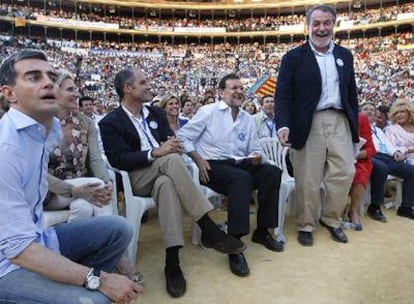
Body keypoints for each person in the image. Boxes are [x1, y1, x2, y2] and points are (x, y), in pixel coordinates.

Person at [0, 50, 142, 303]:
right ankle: (85, 285)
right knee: (97, 299)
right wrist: (98, 279)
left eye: (51, 77)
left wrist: (96, 189)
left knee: (119, 228)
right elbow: (17, 250)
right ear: (9, 94)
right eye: (33, 77)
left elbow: (89, 162)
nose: (48, 83)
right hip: (8, 266)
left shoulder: (45, 129)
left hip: (39, 238)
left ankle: (72, 283)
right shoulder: (6, 149)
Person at [98, 68, 246, 298]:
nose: (149, 85)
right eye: (143, 82)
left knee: (166, 184)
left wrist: (171, 145)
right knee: (170, 160)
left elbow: (171, 139)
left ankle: (172, 261)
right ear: (128, 88)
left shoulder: (156, 114)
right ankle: (207, 226)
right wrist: (155, 153)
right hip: (138, 177)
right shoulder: (110, 122)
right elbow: (118, 159)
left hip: (164, 173)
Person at [178, 74, 283, 278]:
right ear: (221, 92)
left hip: (241, 163)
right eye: (233, 87)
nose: (238, 91)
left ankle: (262, 231)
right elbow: (183, 137)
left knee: (272, 172)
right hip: (212, 165)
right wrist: (198, 159)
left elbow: (253, 148)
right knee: (241, 180)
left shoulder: (247, 118)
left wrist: (256, 156)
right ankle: (234, 243)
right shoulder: (208, 112)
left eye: (240, 88)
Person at [274, 4, 359, 246]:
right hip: (307, 122)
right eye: (316, 24)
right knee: (307, 177)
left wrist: (354, 127)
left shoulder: (345, 56)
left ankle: (332, 219)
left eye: (326, 23)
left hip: (340, 119)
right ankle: (305, 224)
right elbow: (282, 95)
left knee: (345, 172)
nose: (321, 28)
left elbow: (351, 94)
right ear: (308, 26)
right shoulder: (293, 57)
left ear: (334, 24)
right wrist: (283, 125)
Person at [360, 102, 414, 221]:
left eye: (372, 110)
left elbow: (388, 145)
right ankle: (375, 207)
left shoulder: (378, 130)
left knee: (411, 171)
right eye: (365, 109)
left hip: (385, 157)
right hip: (369, 156)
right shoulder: (356, 126)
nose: (369, 111)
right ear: (360, 112)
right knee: (382, 168)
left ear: (375, 115)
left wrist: (395, 152)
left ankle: (405, 207)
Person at [348, 113, 376, 231]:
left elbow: (371, 148)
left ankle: (353, 210)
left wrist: (356, 154)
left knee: (360, 171)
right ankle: (334, 211)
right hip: (332, 157)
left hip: (357, 158)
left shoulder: (362, 119)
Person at [385, 98, 414, 165]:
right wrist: (410, 150)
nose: (399, 115)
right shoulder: (390, 130)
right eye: (396, 113)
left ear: (409, 113)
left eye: (402, 112)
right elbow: (391, 148)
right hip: (405, 164)